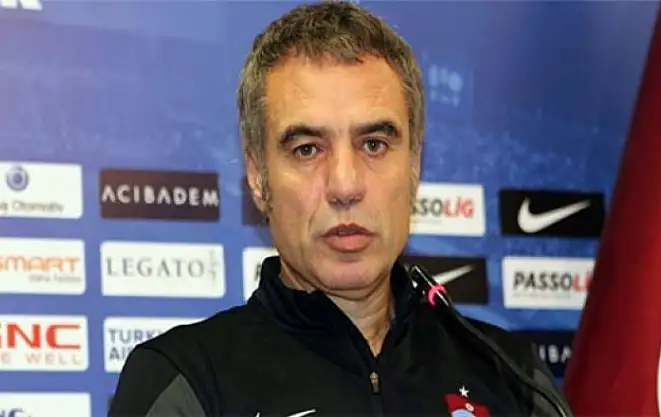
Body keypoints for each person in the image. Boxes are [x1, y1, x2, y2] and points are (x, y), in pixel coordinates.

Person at [108, 2, 571, 416]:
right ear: (258, 176)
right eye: (307, 149)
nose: (345, 186)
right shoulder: (184, 382)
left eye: (374, 144)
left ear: (414, 165)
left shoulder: (512, 377)